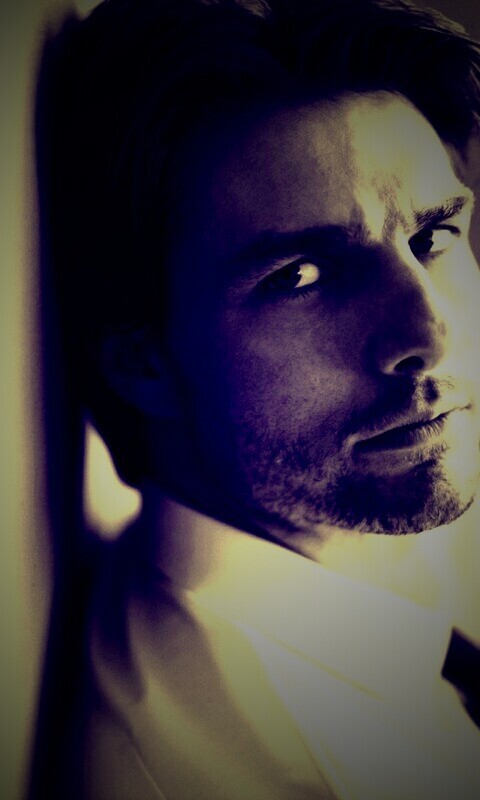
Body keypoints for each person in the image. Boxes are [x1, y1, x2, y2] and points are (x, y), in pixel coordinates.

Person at [33, 0, 480, 797]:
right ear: (145, 362)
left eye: (432, 238)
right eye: (302, 276)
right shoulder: (209, 774)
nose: (430, 334)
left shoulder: (378, 511)